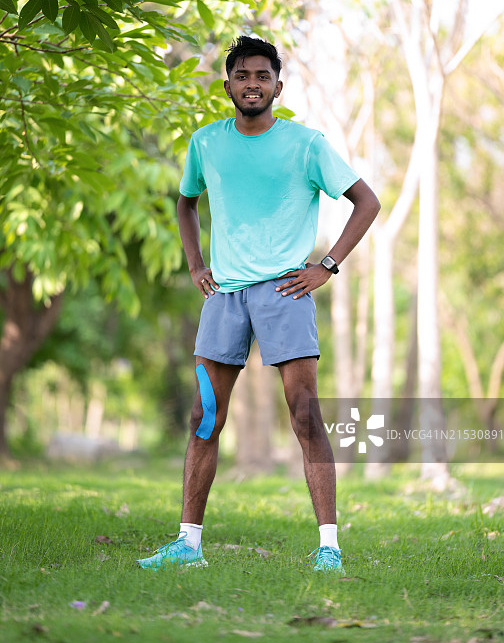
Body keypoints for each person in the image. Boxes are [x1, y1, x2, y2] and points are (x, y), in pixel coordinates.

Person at [138, 35, 380, 574]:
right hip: (224, 296)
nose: (253, 84)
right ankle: (187, 545)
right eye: (242, 75)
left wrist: (328, 265)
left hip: (285, 292)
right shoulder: (206, 143)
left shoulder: (307, 144)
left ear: (277, 85)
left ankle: (329, 548)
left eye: (262, 76)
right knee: (204, 416)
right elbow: (186, 201)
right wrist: (196, 263)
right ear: (227, 85)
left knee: (304, 414)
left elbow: (367, 201)